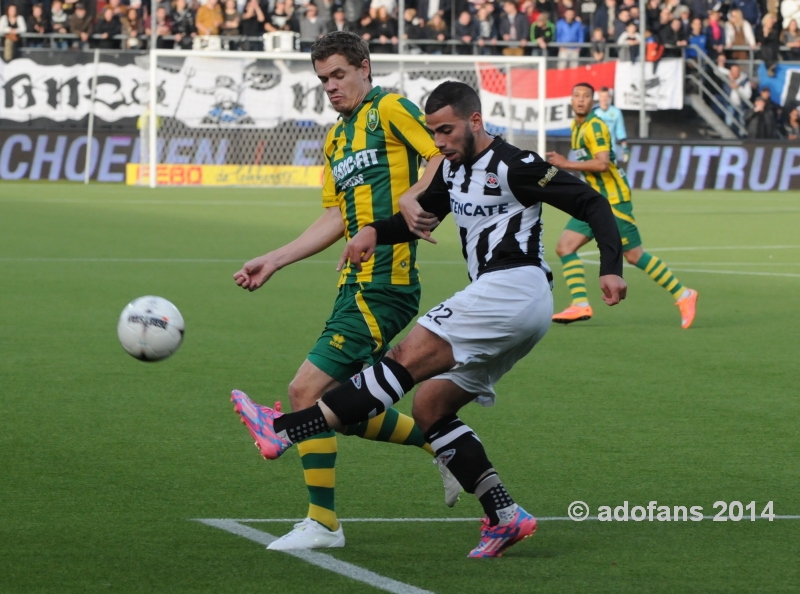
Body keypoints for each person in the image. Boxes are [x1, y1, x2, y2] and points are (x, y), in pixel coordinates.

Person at [231, 79, 626, 558]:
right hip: (511, 304)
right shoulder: (454, 172)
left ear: (475, 122)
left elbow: (591, 202)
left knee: (405, 357)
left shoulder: (515, 164)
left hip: (513, 288)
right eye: (432, 133)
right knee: (431, 407)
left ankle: (285, 431)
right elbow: (418, 220)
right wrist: (374, 232)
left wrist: (610, 269)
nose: (437, 143)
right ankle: (505, 515)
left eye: (445, 131)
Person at [232, 31, 449, 551]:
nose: (331, 87)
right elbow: (334, 215)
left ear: (364, 68)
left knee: (305, 393)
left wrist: (415, 197)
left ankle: (323, 523)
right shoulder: (336, 138)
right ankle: (446, 445)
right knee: (343, 409)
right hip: (352, 284)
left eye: (338, 75)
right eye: (323, 79)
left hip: (387, 284)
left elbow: (440, 154)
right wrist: (276, 259)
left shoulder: (390, 108)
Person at [546, 84, 698, 329]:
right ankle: (580, 303)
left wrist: (567, 164)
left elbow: (603, 164)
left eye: (586, 96)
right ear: (571, 100)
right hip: (594, 200)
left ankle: (683, 294)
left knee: (634, 255)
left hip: (613, 201)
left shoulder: (595, 126)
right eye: (576, 96)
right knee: (565, 246)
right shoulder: (577, 126)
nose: (581, 100)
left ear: (593, 101)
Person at [594, 87, 628, 163]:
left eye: (606, 96)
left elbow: (620, 131)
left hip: (611, 151)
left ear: (610, 97)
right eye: (602, 96)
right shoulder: (594, 113)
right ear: (599, 97)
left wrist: (625, 149)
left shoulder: (616, 112)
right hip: (596, 151)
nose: (604, 99)